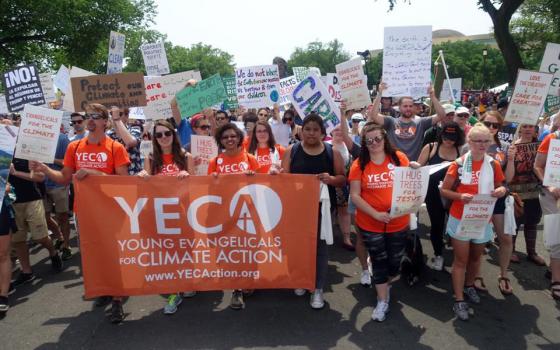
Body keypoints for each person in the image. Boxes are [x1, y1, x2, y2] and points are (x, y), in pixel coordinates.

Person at [30, 103, 130, 324]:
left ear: (106, 121)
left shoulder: (115, 148)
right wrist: (45, 169)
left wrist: (95, 173)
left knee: (113, 256)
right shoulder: (74, 147)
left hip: (112, 212)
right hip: (84, 211)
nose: (90, 120)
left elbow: (124, 184)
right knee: (95, 255)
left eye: (96, 116)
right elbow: (65, 178)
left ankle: (117, 300)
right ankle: (105, 288)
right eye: (87, 116)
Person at [348, 123, 415, 322]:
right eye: (369, 141)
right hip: (370, 223)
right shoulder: (359, 164)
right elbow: (355, 195)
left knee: (394, 263)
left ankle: (385, 281)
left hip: (398, 221)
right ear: (365, 144)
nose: (374, 143)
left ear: (384, 138)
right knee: (379, 262)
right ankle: (382, 300)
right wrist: (375, 214)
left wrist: (415, 169)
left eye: (378, 138)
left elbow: (410, 182)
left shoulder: (399, 158)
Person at [441, 123, 507, 321]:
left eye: (486, 141)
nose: (482, 145)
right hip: (460, 219)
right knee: (461, 260)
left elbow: (501, 185)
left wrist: (501, 191)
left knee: (476, 259)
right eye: (478, 141)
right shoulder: (459, 164)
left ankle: (469, 286)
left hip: (482, 218)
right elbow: (444, 190)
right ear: (469, 142)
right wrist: (460, 197)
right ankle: (459, 299)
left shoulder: (493, 164)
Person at [281, 113, 346, 309]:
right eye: (307, 129)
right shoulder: (291, 150)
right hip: (296, 209)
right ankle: (301, 280)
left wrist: (331, 179)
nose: (311, 133)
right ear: (302, 131)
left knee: (320, 249)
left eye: (315, 129)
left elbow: (343, 178)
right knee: (297, 247)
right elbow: (283, 178)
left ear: (322, 132)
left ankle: (317, 288)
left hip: (323, 210)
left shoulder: (331, 152)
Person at [138, 120, 194, 314]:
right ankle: (173, 292)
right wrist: (144, 176)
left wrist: (188, 176)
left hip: (183, 213)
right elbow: (146, 187)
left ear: (174, 135)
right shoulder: (151, 157)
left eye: (167, 134)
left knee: (184, 252)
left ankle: (185, 281)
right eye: (159, 135)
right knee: (168, 254)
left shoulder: (186, 157)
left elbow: (195, 188)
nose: (163, 138)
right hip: (161, 215)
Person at [208, 123, 259, 310]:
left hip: (248, 212)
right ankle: (236, 289)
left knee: (249, 249)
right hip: (225, 214)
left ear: (239, 138)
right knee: (230, 251)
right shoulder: (215, 162)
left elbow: (263, 186)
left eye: (233, 136)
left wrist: (254, 177)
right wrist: (213, 181)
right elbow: (210, 191)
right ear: (220, 141)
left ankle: (248, 280)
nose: (229, 139)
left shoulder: (250, 159)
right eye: (225, 137)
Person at [8, 156, 64, 289]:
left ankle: (53, 253)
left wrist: (15, 173)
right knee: (18, 240)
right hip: (11, 203)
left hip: (32, 199)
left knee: (41, 237)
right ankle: (26, 272)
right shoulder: (4, 152)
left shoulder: (25, 152)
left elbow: (40, 177)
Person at [417, 122, 465, 271]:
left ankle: (459, 255)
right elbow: (419, 168)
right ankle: (438, 254)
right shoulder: (431, 147)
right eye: (445, 136)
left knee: (457, 226)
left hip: (454, 195)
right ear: (440, 135)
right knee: (437, 225)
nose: (448, 140)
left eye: (452, 137)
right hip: (433, 194)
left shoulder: (461, 150)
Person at [367, 82, 446, 161]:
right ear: (399, 108)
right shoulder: (391, 122)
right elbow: (374, 115)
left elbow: (441, 115)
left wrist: (432, 97)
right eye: (405, 106)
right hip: (394, 166)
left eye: (410, 106)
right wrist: (380, 93)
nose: (408, 108)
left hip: (414, 168)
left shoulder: (421, 122)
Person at [505, 123, 545, 267]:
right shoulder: (511, 147)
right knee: (514, 223)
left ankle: (532, 252)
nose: (528, 129)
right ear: (520, 129)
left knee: (532, 221)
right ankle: (511, 250)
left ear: (535, 129)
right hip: (516, 192)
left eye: (531, 126)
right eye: (525, 126)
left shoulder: (541, 146)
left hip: (535, 191)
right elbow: (507, 175)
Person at [534, 127, 560, 300]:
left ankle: (553, 267)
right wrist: (550, 186)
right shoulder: (551, 139)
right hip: (551, 195)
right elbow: (537, 166)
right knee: (556, 236)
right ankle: (556, 279)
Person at [43, 133, 72, 260]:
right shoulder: (33, 137)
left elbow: (68, 163)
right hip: (40, 185)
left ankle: (66, 246)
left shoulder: (62, 138)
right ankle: (60, 237)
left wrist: (50, 158)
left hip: (58, 184)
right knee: (44, 217)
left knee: (63, 217)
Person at [107, 107, 142, 175]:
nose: (114, 116)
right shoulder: (108, 135)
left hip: (134, 176)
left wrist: (117, 120)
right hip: (116, 178)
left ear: (127, 116)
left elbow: (130, 142)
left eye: (119, 114)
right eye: (112, 114)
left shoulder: (134, 129)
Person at [0, 184, 16, 312]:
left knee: (2, 254)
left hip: (2, 212)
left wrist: (7, 189)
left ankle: (3, 295)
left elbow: (11, 190)